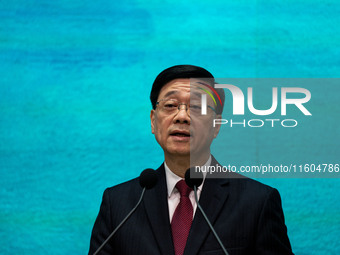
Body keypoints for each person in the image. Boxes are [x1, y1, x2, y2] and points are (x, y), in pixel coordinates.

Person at [88, 65, 294, 255]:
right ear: (153, 121)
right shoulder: (119, 205)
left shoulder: (256, 202)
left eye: (196, 107)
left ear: (216, 125)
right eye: (170, 105)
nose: (182, 116)